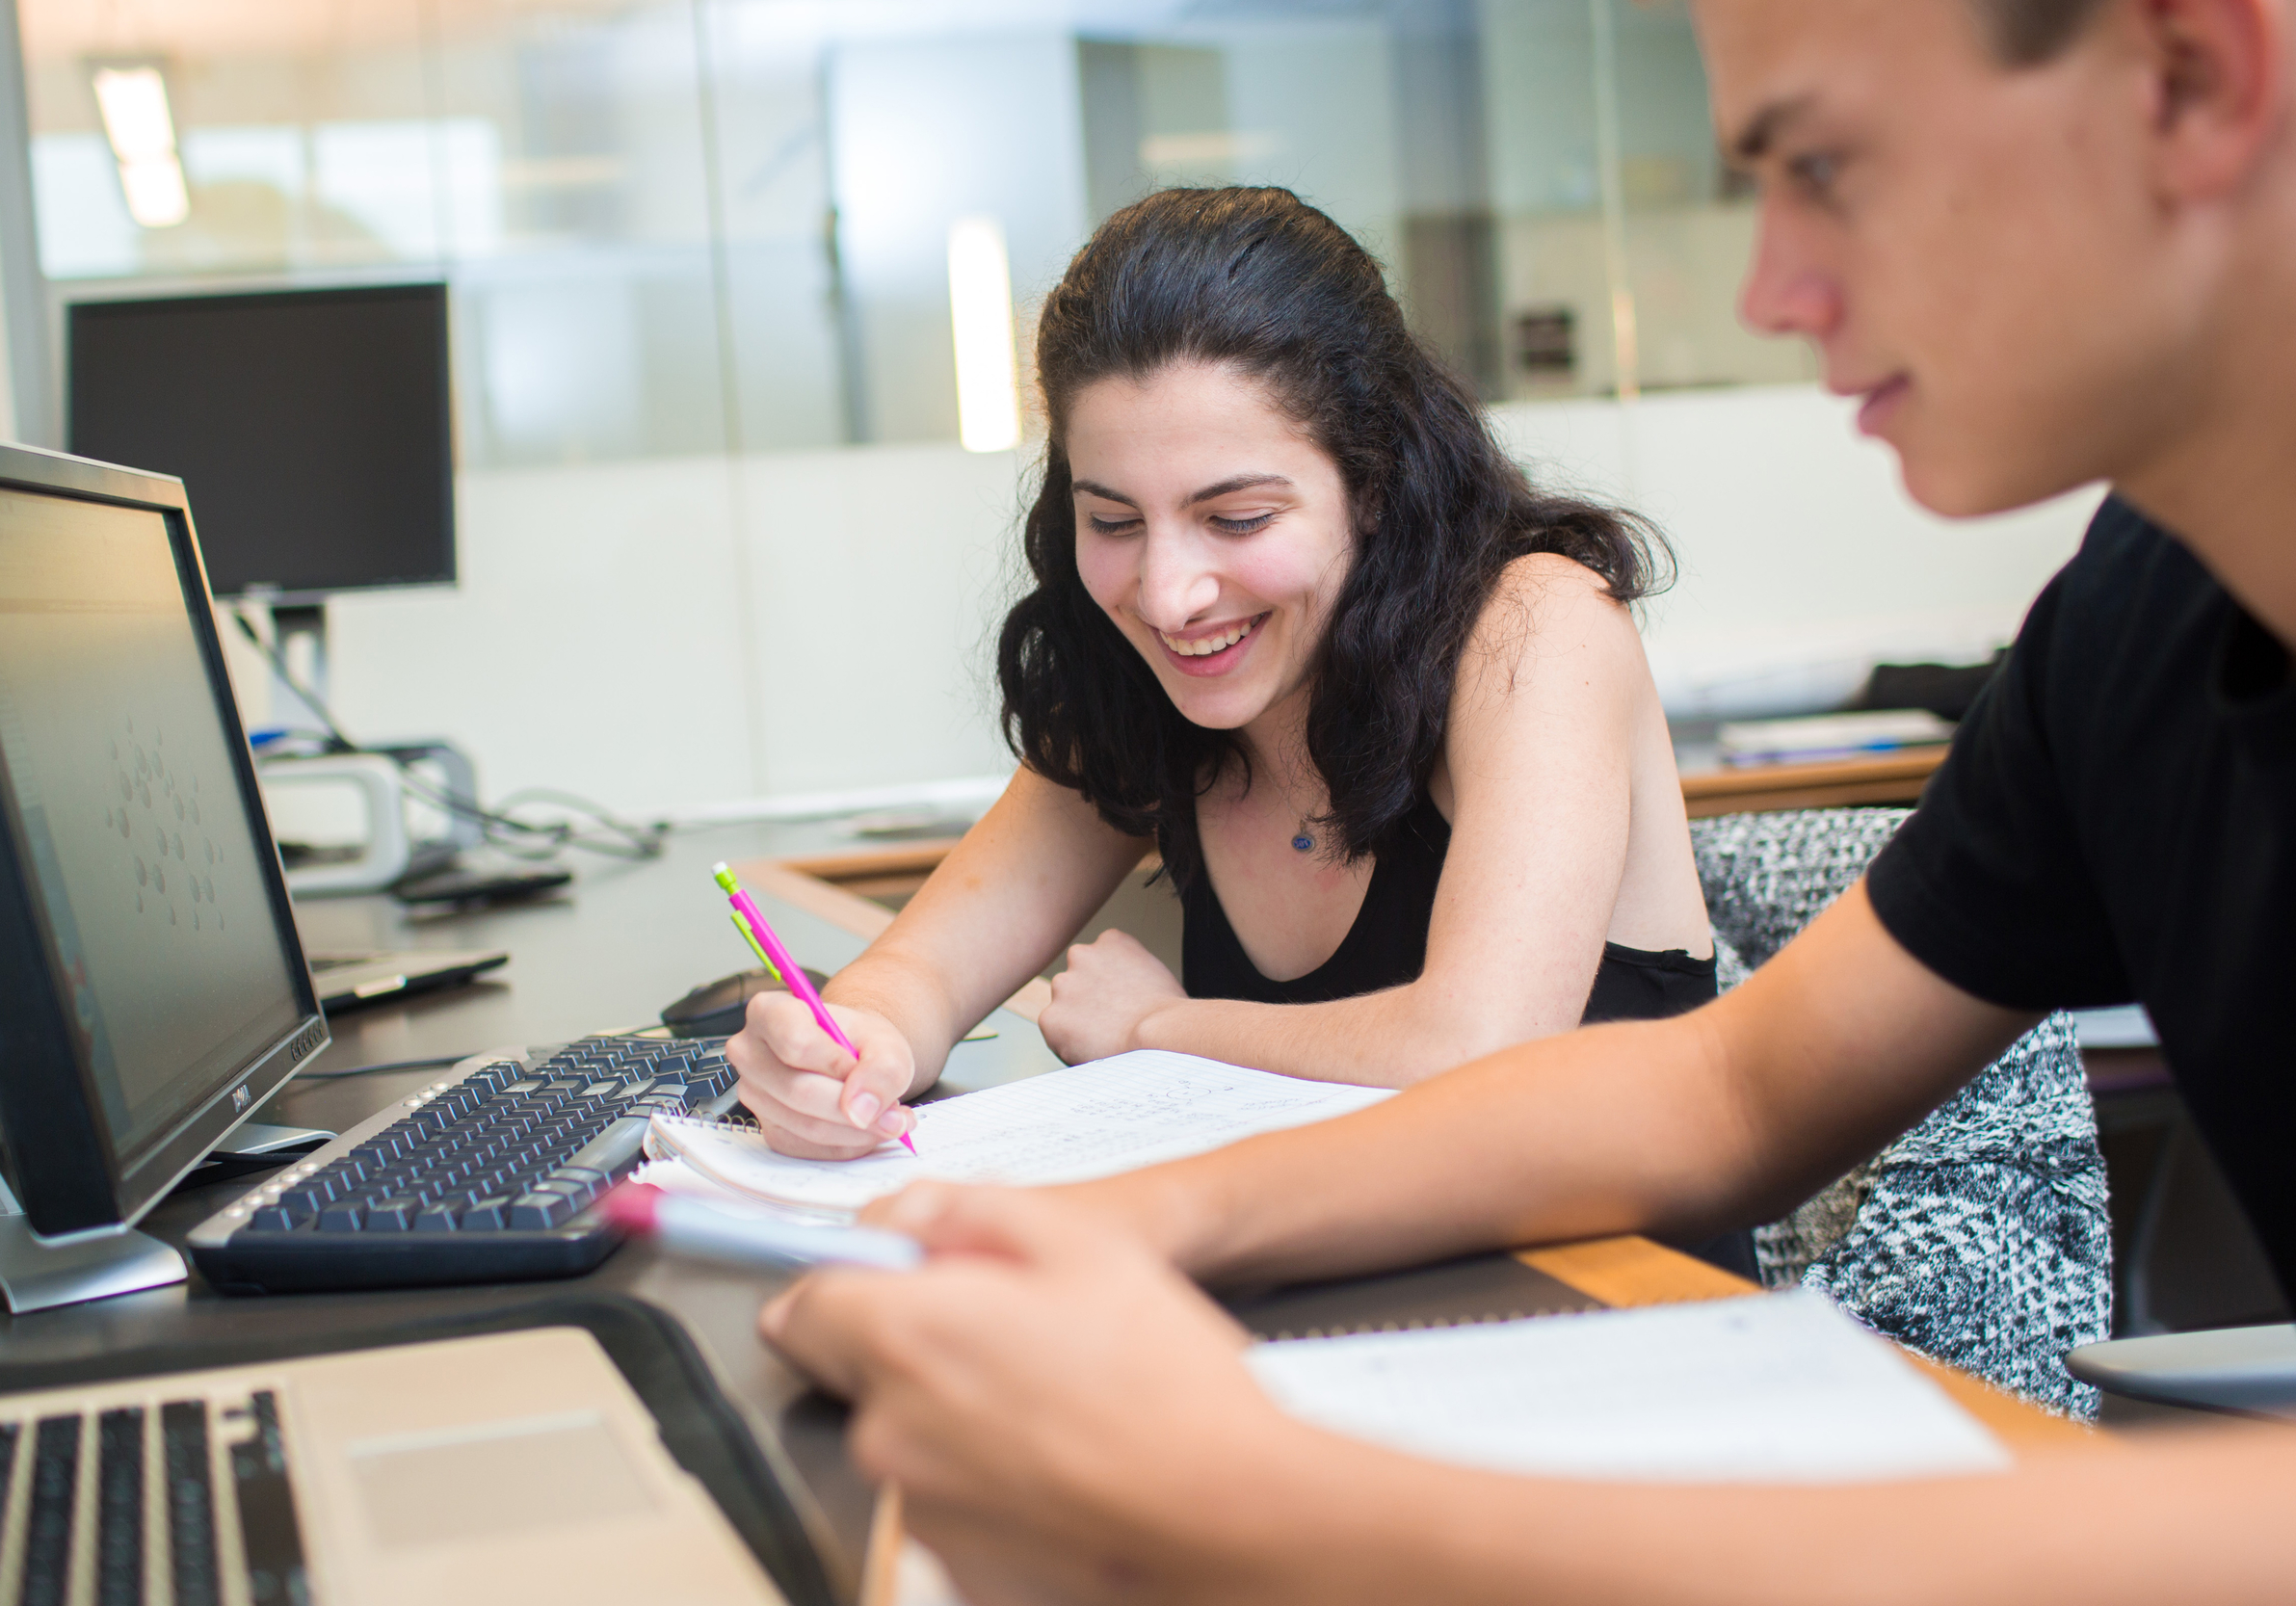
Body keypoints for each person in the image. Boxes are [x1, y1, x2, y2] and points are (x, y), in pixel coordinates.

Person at [761, 0, 2296, 1598]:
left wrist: (1270, 1495)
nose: (1768, 288)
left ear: (2191, 74)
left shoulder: (1527, 625)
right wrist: (1111, 1225)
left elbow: (1496, 1046)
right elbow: (1730, 1097)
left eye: (1825, 165)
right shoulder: (2137, 623)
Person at [729, 187, 1717, 1162]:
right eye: (1113, 521)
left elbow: (1477, 1047)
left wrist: (1159, 1026)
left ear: (1371, 484)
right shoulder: (1138, 685)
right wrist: (847, 1051)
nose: (1167, 595)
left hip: (1617, 1288)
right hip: (1348, 1282)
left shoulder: (1536, 622)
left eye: (1236, 518)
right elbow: (921, 973)